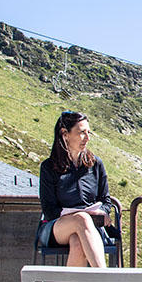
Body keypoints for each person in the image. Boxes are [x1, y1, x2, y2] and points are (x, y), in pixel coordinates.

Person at [38, 111, 115, 267]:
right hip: (57, 227)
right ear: (65, 134)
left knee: (78, 242)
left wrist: (103, 211)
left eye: (88, 132)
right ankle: (106, 279)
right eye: (81, 133)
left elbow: (106, 200)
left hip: (90, 228)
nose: (87, 138)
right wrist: (81, 213)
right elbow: (49, 210)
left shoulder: (96, 164)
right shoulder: (48, 167)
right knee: (81, 218)